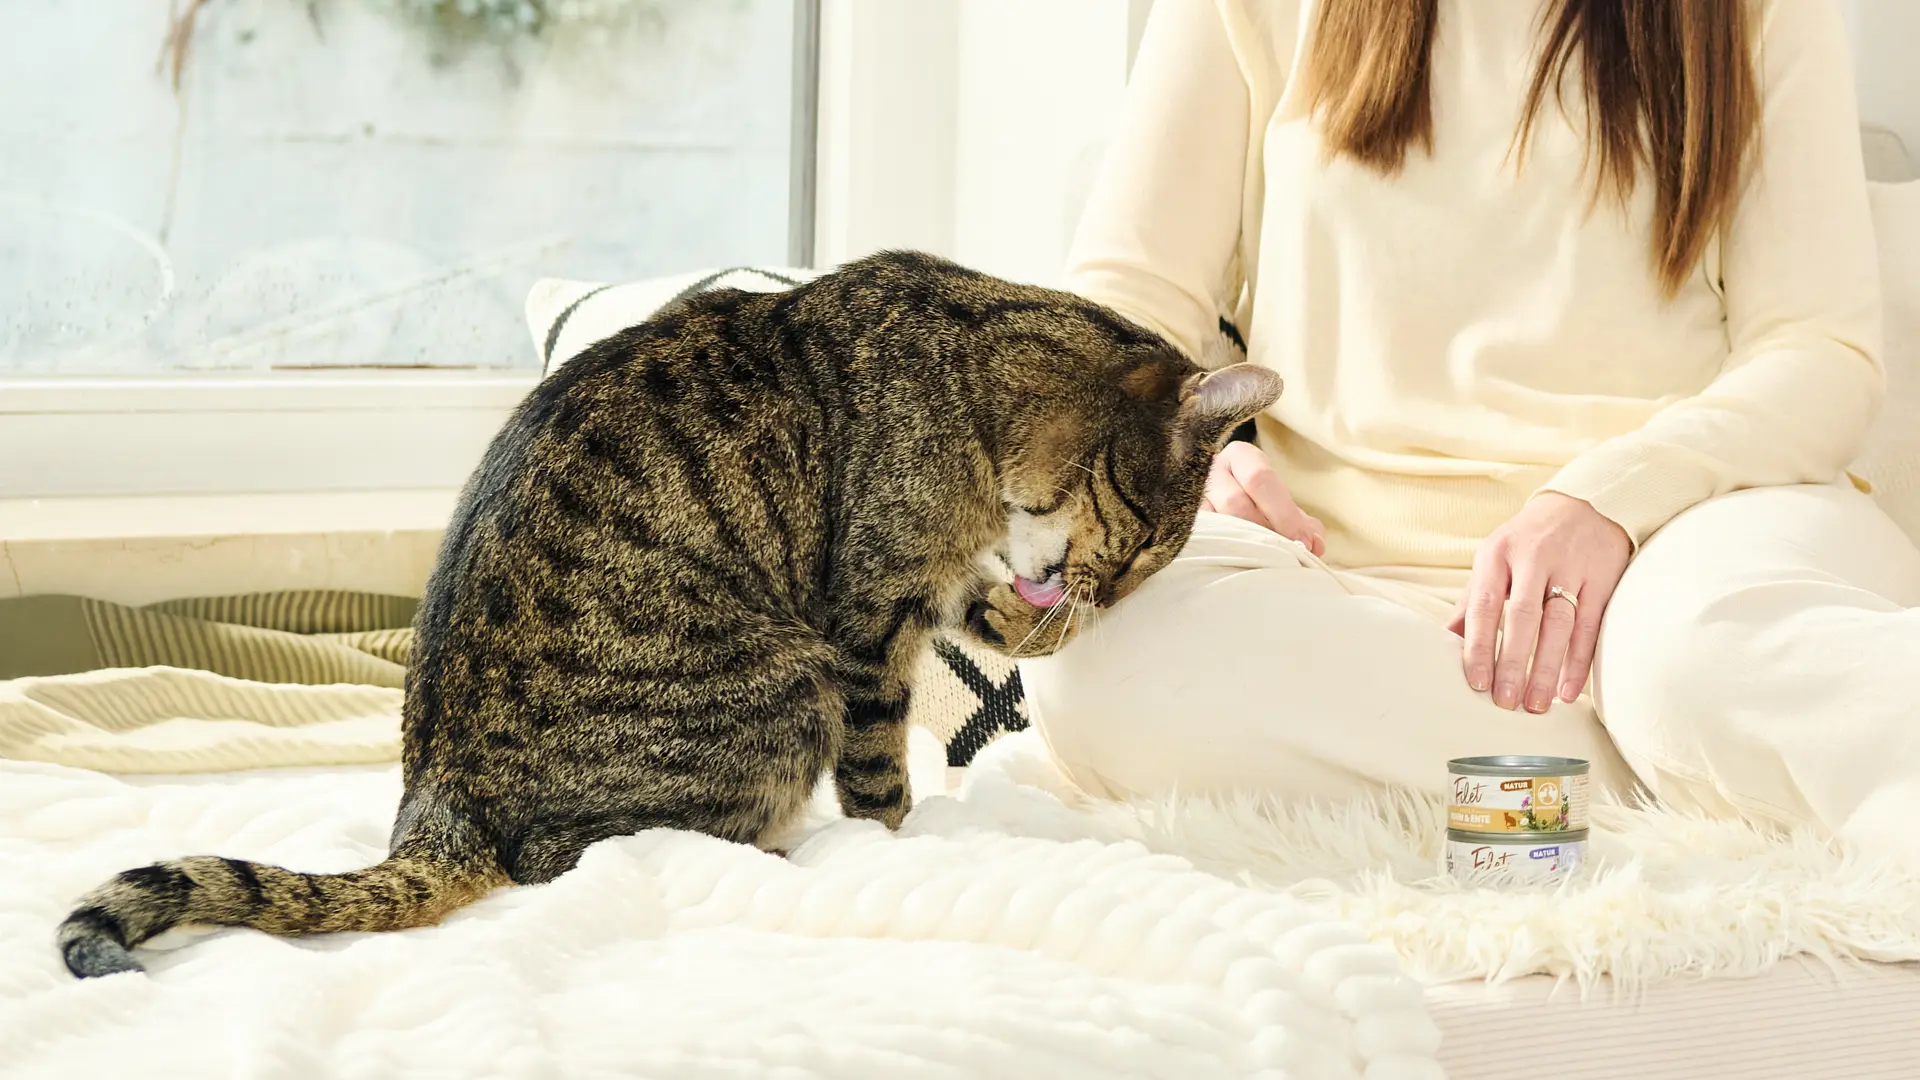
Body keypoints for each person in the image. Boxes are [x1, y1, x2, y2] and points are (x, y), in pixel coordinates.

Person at [1025, 0, 1920, 863]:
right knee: (1094, 656)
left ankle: (1609, 759)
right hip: (1343, 591)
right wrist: (1182, 461)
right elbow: (1120, 311)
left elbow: (1821, 353)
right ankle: (1683, 771)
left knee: (1692, 657)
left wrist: (1608, 500)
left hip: (1685, 542)